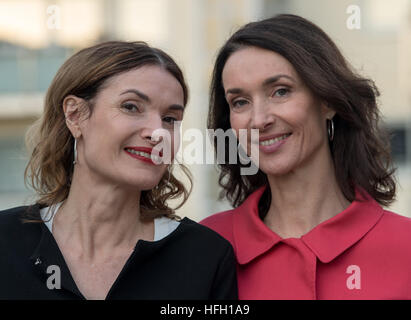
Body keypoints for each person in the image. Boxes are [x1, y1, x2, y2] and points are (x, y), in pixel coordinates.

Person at [0, 41, 237, 300]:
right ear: (75, 115)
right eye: (131, 107)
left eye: (170, 119)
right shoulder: (6, 241)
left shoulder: (204, 257)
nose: (157, 132)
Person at [201, 14, 411, 299]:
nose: (259, 119)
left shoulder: (405, 248)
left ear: (327, 101)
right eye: (240, 102)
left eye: (281, 91)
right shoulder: (204, 246)